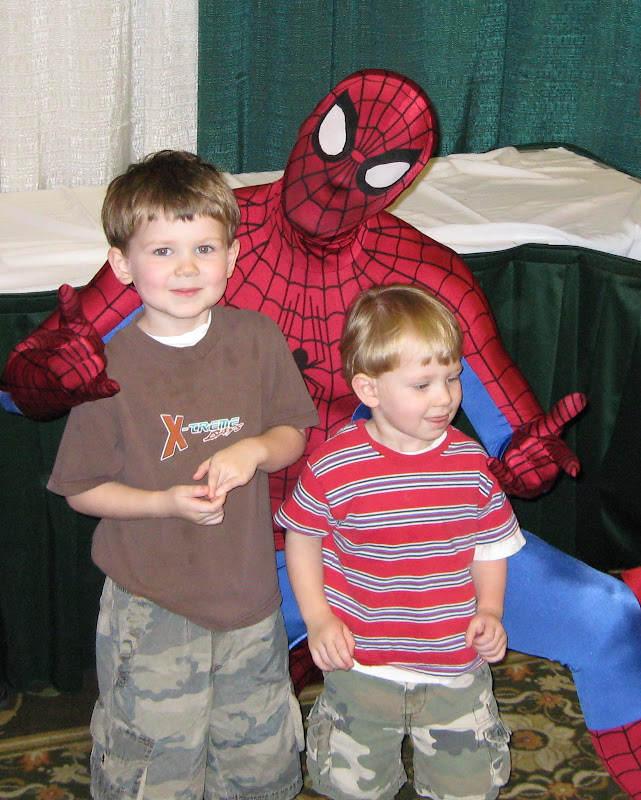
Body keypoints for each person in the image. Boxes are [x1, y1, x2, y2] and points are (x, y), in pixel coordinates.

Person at [1, 70, 640, 797]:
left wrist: (528, 461)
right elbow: (26, 385)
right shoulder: (198, 240)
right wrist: (50, 376)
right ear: (309, 128)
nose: (340, 179)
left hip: (394, 532)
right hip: (236, 549)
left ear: (402, 181)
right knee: (177, 727)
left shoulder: (423, 274)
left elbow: (512, 436)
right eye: (337, 143)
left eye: (377, 169)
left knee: (607, 619)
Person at [47, 150, 320, 800]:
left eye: (204, 248)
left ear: (232, 256)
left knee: (257, 759)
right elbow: (82, 489)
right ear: (121, 264)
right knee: (154, 763)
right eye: (163, 251)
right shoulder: (106, 368)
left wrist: (254, 450)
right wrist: (164, 502)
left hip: (249, 598)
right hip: (152, 605)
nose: (188, 268)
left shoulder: (256, 338)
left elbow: (292, 432)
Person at [276, 284, 526, 800]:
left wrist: (491, 610)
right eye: (422, 384)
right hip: (360, 664)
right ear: (369, 389)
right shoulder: (334, 464)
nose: (445, 397)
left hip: (453, 665)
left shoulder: (471, 465)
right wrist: (318, 618)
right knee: (350, 787)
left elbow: (490, 547)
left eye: (452, 377)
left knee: (468, 787)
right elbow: (302, 537)